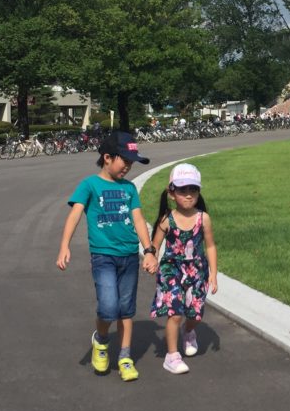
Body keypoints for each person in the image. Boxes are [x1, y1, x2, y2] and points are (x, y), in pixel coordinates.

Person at [56, 131, 157, 382]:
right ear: (107, 157)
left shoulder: (129, 188)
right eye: (125, 161)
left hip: (129, 256)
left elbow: (138, 219)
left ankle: (124, 357)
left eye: (132, 162)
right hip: (103, 256)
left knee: (126, 309)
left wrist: (149, 251)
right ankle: (101, 341)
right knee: (108, 306)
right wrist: (64, 246)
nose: (128, 167)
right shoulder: (89, 184)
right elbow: (75, 214)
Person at [148, 163, 218, 374]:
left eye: (193, 189)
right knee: (175, 313)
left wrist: (213, 274)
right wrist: (151, 258)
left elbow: (210, 246)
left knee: (195, 314)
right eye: (182, 190)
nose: (188, 195)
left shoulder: (203, 218)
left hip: (197, 271)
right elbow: (155, 245)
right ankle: (172, 356)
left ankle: (189, 332)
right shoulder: (166, 220)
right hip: (171, 270)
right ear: (171, 193)